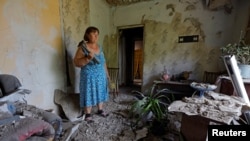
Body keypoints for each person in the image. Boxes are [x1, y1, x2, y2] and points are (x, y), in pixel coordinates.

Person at [73, 26, 110, 122]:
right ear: (87, 35)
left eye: (97, 34)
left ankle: (100, 110)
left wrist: (107, 74)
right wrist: (87, 58)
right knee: (88, 92)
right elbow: (76, 62)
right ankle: (88, 114)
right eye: (93, 34)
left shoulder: (99, 47)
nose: (96, 36)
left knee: (101, 91)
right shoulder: (83, 48)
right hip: (89, 76)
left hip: (100, 74)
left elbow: (103, 62)